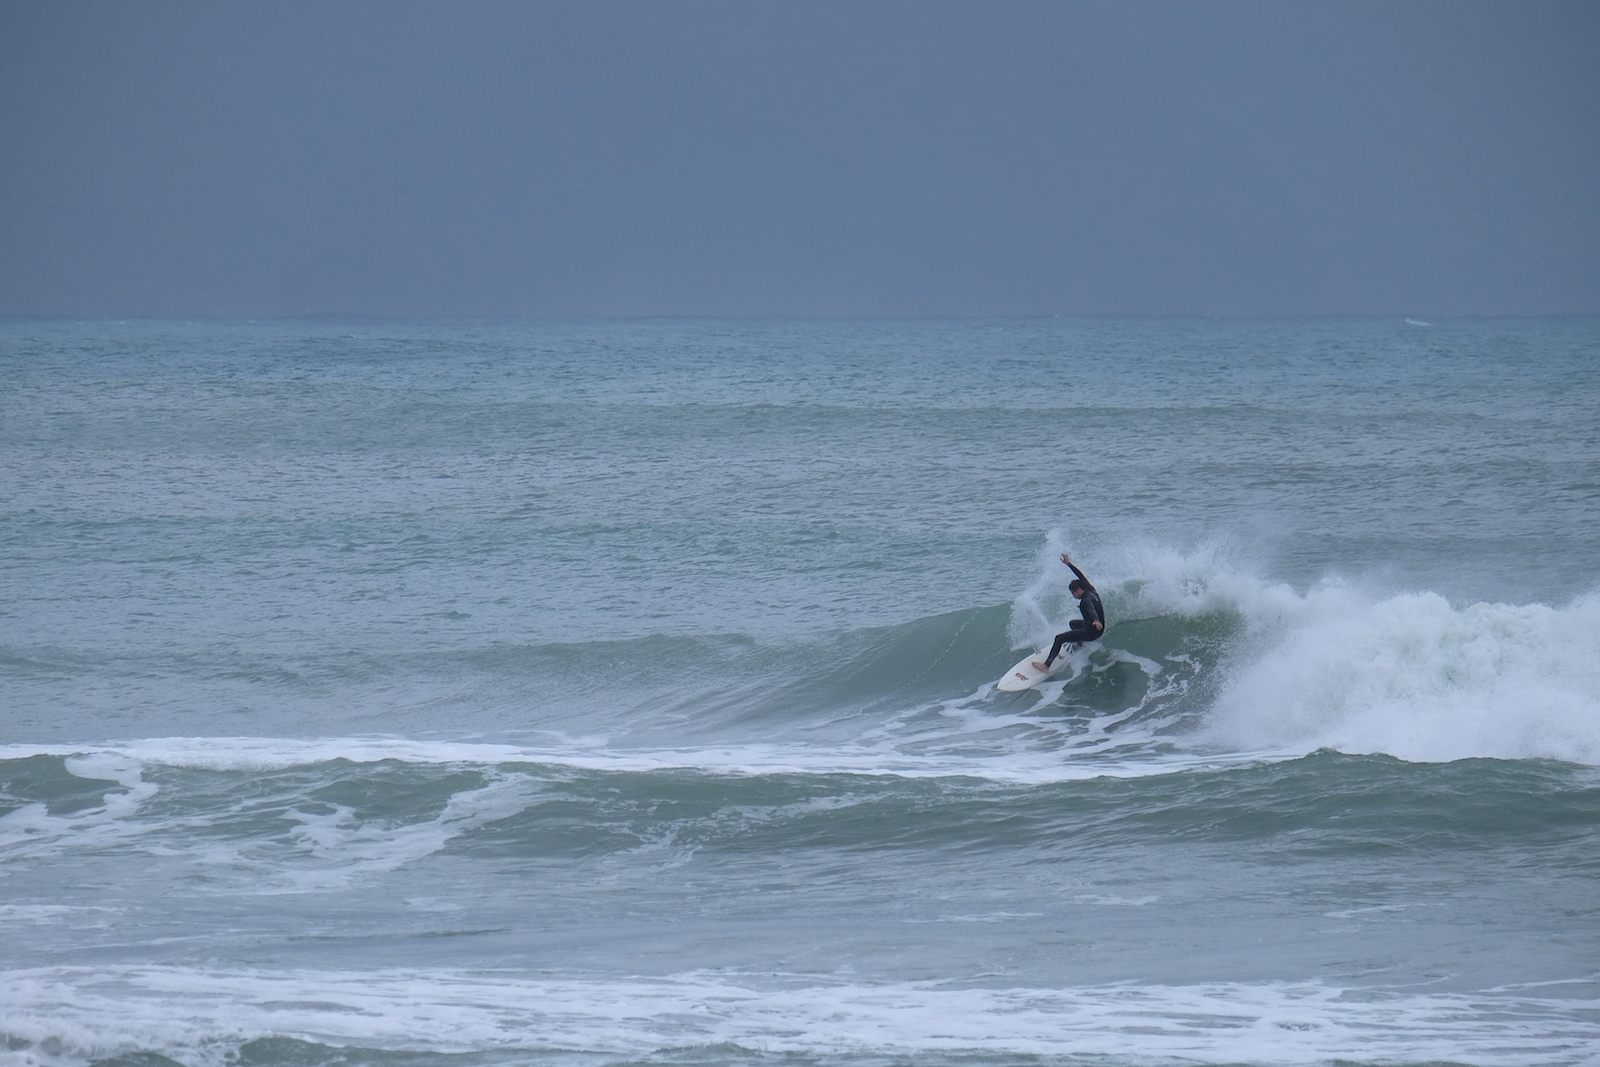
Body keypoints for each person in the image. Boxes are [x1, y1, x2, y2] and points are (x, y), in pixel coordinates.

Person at [1035, 553, 1105, 670]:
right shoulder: (1091, 590)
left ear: (1078, 590)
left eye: (1073, 592)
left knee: (1059, 638)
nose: (1073, 595)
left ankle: (1046, 665)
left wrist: (1096, 620)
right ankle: (1079, 643)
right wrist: (1068, 564)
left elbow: (1091, 608)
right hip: (1098, 628)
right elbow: (1081, 576)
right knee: (1073, 623)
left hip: (1092, 632)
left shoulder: (1086, 600)